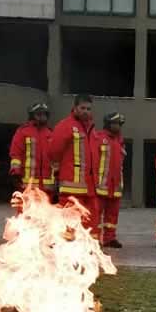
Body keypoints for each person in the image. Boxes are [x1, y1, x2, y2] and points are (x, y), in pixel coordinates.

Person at [49, 95, 99, 239]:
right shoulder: (65, 126)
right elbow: (53, 151)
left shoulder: (91, 128)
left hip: (90, 187)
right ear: (75, 108)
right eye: (82, 108)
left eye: (88, 109)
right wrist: (61, 170)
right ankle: (67, 251)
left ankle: (91, 250)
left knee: (91, 220)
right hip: (72, 185)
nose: (85, 111)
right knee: (69, 221)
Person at [95, 112, 126, 248]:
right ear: (108, 123)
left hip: (116, 185)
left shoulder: (120, 141)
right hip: (101, 184)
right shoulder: (99, 137)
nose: (117, 126)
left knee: (112, 215)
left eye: (119, 123)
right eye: (115, 123)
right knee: (96, 214)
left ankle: (110, 238)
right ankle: (94, 238)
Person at [9, 103, 55, 196]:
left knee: (46, 211)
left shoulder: (51, 133)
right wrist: (16, 173)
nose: (42, 117)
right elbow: (16, 154)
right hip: (28, 185)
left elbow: (56, 158)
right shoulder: (23, 131)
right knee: (26, 210)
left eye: (44, 114)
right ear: (32, 115)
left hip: (48, 187)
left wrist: (58, 178)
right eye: (38, 114)